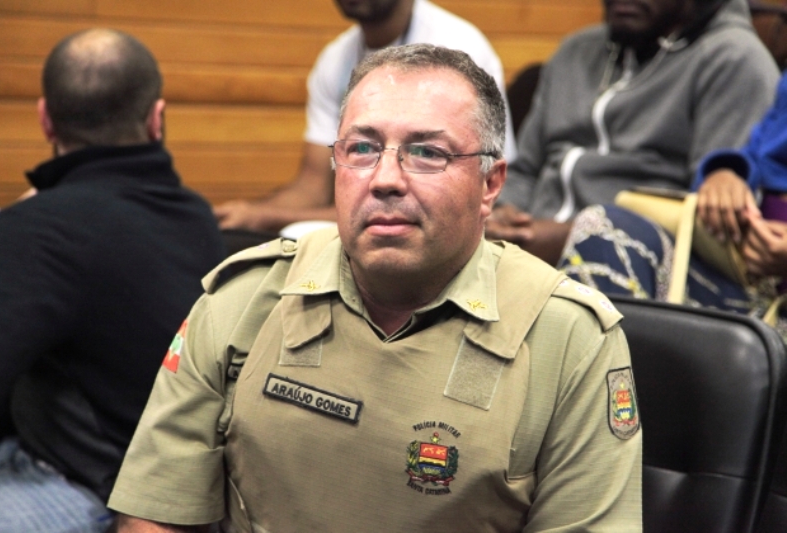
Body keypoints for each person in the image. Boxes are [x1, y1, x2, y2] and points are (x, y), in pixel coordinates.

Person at [108, 44, 641, 532]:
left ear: (490, 184)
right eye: (362, 148)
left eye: (427, 152)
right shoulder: (247, 297)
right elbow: (156, 515)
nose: (385, 178)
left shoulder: (568, 338)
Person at [0, 29, 226, 532]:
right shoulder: (199, 217)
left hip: (93, 492)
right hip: (189, 490)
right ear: (157, 118)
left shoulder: (37, 231)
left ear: (45, 119)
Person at [486, 0, 779, 266]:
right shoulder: (575, 51)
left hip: (642, 265)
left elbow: (708, 217)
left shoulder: (733, 58)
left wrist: (579, 237)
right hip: (528, 246)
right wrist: (502, 213)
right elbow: (525, 170)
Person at [213, 0, 515, 236]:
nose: (386, 176)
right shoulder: (335, 59)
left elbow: (459, 192)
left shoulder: (458, 51)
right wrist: (250, 214)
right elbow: (313, 185)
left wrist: (267, 217)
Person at [560, 71, 787, 338]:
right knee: (602, 228)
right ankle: (604, 364)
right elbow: (759, 151)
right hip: (741, 272)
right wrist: (726, 174)